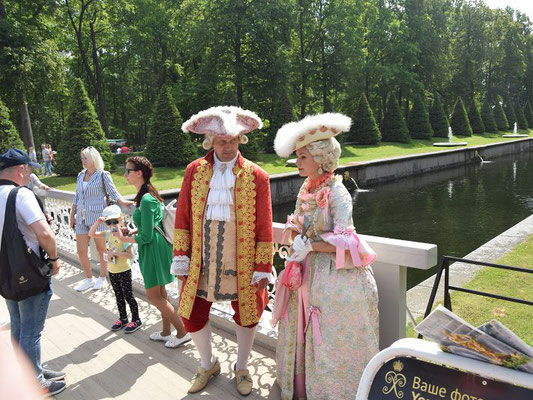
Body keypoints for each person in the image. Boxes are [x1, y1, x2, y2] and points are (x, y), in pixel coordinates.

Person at [272, 113, 379, 400]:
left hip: (333, 274)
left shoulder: (337, 192)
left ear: (319, 159)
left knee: (329, 334)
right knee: (300, 329)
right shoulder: (307, 187)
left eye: (302, 157)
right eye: (297, 156)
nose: (297, 162)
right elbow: (296, 222)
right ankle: (301, 388)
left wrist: (312, 247)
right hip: (306, 271)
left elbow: (348, 242)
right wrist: (296, 239)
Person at [171, 106, 274, 396]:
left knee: (248, 313)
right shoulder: (194, 171)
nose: (227, 147)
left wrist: (263, 266)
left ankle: (242, 367)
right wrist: (181, 256)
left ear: (240, 140)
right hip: (201, 258)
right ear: (210, 142)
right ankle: (208, 363)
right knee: (191, 312)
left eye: (231, 141)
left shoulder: (258, 176)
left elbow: (264, 224)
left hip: (241, 258)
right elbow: (183, 217)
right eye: (221, 142)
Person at [0, 148, 67, 397]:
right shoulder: (21, 195)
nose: (29, 176)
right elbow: (45, 234)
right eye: (28, 170)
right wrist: (54, 259)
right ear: (20, 170)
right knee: (31, 331)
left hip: (5, 272)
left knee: (18, 326)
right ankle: (36, 382)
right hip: (28, 272)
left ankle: (29, 371)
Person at [118, 156, 190, 347]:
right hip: (157, 247)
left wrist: (125, 239)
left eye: (128, 171)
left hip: (153, 249)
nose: (125, 175)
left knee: (153, 296)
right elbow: (151, 226)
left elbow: (148, 237)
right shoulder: (147, 195)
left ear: (139, 173)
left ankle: (182, 332)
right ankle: (167, 332)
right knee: (161, 292)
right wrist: (133, 231)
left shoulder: (147, 198)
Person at [69, 146, 133, 292]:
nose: (83, 161)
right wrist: (72, 216)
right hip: (81, 218)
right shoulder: (80, 175)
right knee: (81, 251)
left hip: (99, 218)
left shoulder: (103, 175)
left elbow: (114, 192)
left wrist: (123, 202)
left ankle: (103, 277)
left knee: (101, 249)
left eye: (86, 158)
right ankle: (88, 278)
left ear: (93, 159)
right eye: (82, 158)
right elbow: (77, 197)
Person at [88, 205, 142, 333]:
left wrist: (116, 254)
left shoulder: (124, 234)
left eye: (115, 222)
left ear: (121, 219)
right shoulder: (107, 234)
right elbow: (91, 234)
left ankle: (136, 319)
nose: (112, 225)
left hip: (124, 270)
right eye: (109, 222)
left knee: (128, 296)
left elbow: (130, 255)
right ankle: (123, 318)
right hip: (112, 270)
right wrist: (98, 222)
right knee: (118, 296)